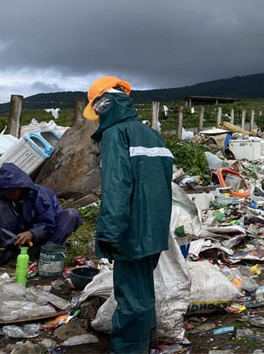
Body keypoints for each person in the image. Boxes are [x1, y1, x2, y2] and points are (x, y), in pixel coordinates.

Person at [84, 76, 173, 354]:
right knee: (143, 290)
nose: (96, 117)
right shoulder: (149, 133)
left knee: (132, 296)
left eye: (96, 109)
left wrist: (108, 233)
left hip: (131, 232)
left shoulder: (115, 135)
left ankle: (129, 350)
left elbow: (116, 188)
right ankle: (146, 339)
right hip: (155, 229)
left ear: (105, 104)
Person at [0, 163, 83, 265]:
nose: (9, 195)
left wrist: (32, 233)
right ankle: (9, 250)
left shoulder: (41, 196)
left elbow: (48, 224)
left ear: (21, 187)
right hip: (18, 237)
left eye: (12, 192)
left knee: (71, 214)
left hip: (45, 236)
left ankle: (46, 253)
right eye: (6, 193)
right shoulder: (3, 198)